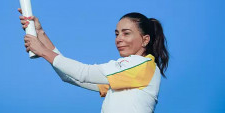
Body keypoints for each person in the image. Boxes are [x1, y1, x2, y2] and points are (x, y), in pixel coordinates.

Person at [18, 8, 169, 113]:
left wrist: (42, 50)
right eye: (117, 34)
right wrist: (40, 34)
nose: (119, 39)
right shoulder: (124, 75)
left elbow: (83, 73)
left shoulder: (142, 66)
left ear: (145, 40)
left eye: (126, 33)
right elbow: (70, 76)